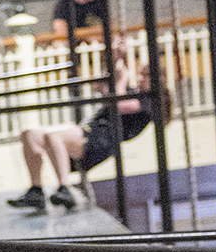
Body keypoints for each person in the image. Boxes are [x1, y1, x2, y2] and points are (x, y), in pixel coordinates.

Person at [8, 41, 155, 211]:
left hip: (101, 140)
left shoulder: (149, 101)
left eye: (146, 76)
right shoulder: (134, 92)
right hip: (87, 131)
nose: (140, 79)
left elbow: (118, 105)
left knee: (54, 136)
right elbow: (102, 86)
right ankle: (36, 190)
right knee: (30, 134)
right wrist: (117, 57)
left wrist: (122, 80)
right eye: (141, 75)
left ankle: (65, 188)